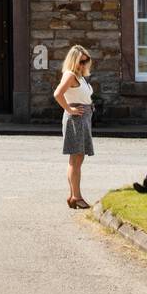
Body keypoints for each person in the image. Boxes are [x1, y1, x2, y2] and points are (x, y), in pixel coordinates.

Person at [54, 45, 94, 209]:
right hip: (76, 119)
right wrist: (69, 109)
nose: (84, 64)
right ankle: (76, 196)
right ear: (73, 61)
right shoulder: (70, 75)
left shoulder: (80, 76)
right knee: (76, 159)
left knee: (78, 159)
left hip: (84, 118)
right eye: (80, 61)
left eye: (86, 61)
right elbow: (57, 94)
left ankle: (73, 196)